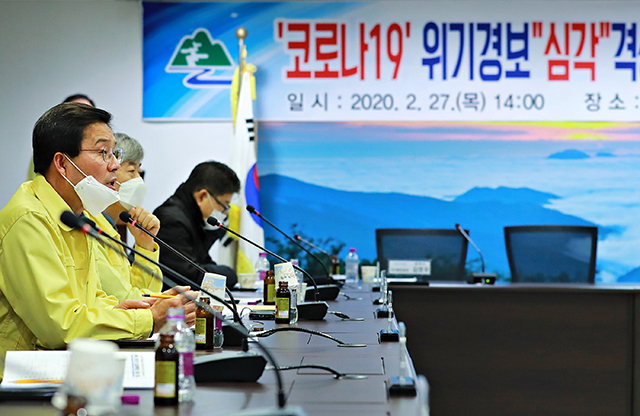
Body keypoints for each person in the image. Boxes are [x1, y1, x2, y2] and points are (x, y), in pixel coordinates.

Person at [0, 103, 194, 378]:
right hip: (23, 382)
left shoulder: (76, 216)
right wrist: (149, 318)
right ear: (62, 163)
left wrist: (118, 309)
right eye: (103, 153)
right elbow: (60, 326)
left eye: (115, 153)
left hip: (66, 368)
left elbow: (92, 300)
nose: (114, 164)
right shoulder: (29, 219)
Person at [89, 132, 163, 303]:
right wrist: (165, 300)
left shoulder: (112, 227)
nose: (138, 180)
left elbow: (142, 292)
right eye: (131, 171)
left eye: (139, 172)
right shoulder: (90, 226)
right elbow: (122, 299)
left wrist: (145, 243)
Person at [154, 161, 240, 289]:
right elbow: (192, 277)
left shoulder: (192, 218)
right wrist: (230, 274)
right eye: (223, 205)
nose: (225, 212)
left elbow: (202, 262)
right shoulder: (172, 221)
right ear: (202, 196)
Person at [27, 94, 96, 181]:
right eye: (76, 113)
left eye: (88, 114)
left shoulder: (104, 151)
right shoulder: (45, 151)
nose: (83, 119)